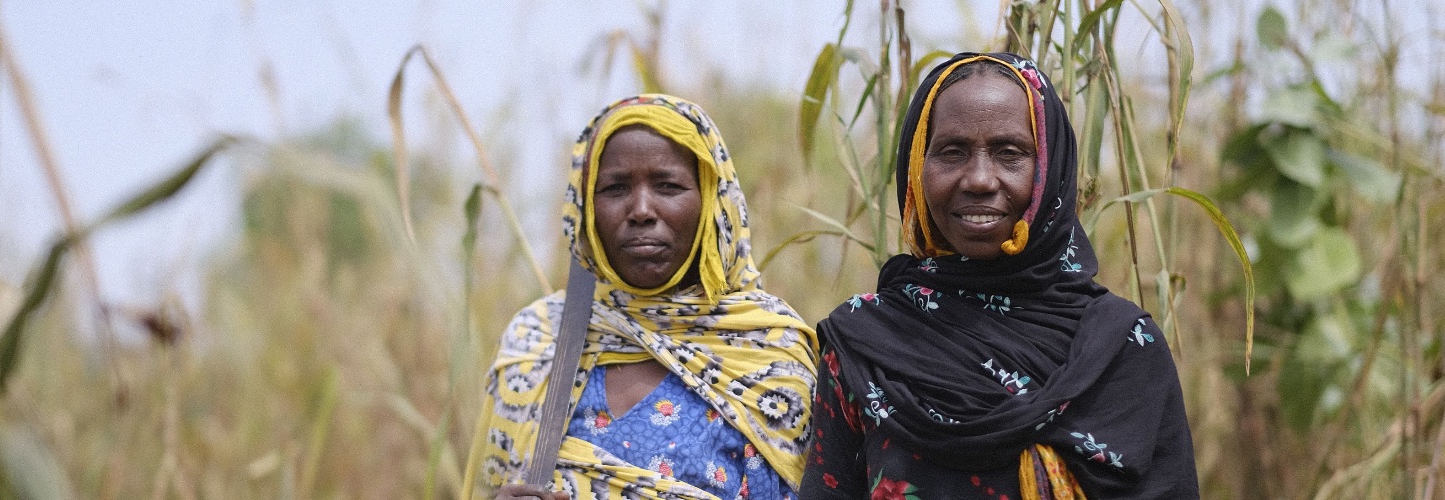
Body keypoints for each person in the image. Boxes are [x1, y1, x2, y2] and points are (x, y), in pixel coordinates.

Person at [799, 52, 1199, 498]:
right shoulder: (863, 344)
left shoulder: (1124, 350)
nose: (979, 179)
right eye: (952, 152)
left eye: (1010, 154)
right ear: (916, 166)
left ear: (1050, 171)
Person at [463, 94, 818, 499]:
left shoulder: (770, 354)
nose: (641, 210)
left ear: (712, 203)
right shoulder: (539, 342)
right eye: (615, 188)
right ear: (586, 209)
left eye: (668, 186)